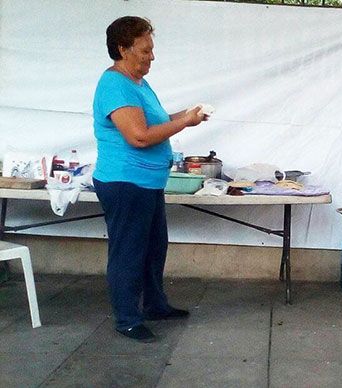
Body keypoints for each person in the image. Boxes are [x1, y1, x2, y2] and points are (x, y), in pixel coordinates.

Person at [92, 16, 208, 342]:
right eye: (145, 50)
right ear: (123, 49)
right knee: (129, 251)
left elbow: (157, 121)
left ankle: (155, 305)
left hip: (147, 183)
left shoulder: (139, 83)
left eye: (152, 49)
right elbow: (140, 137)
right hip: (125, 182)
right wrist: (183, 123)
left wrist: (186, 116)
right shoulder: (114, 84)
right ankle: (128, 318)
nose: (151, 56)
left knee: (154, 247)